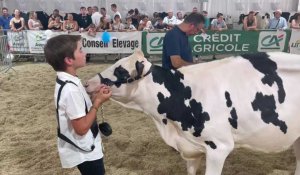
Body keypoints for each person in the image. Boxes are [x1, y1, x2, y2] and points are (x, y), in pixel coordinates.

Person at [44, 34, 112, 175]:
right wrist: (98, 103)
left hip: (84, 145)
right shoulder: (70, 90)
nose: (85, 53)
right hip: (84, 150)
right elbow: (81, 128)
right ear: (69, 60)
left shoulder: (70, 80)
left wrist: (93, 96)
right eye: (81, 50)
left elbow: (78, 107)